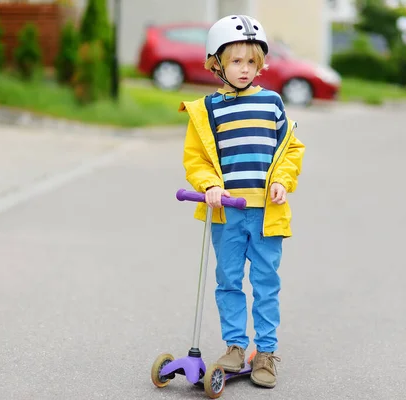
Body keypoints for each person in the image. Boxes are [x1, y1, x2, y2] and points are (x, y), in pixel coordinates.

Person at [179, 14, 305, 388]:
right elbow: (197, 159)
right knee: (229, 281)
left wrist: (282, 180)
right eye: (236, 61)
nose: (245, 69)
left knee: (266, 283)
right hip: (226, 213)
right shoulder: (208, 110)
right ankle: (235, 346)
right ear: (215, 63)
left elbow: (290, 149)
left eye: (252, 61)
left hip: (267, 213)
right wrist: (209, 185)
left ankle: (265, 352)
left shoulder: (271, 103)